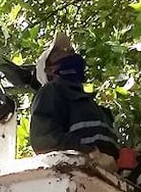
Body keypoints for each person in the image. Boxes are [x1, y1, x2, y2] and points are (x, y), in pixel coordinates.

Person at [29, 34, 119, 169]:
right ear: (49, 70)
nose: (68, 54)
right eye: (58, 54)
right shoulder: (52, 91)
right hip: (77, 173)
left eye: (70, 51)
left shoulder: (89, 104)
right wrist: (88, 152)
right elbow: (44, 140)